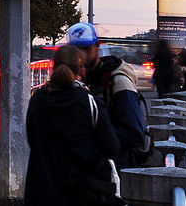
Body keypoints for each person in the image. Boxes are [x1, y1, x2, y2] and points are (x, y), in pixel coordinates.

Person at [25, 44, 121, 205]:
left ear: (52, 68)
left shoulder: (37, 100)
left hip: (41, 192)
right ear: (82, 70)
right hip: (83, 194)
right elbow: (112, 148)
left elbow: (32, 140)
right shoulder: (91, 104)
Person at [67, 21, 147, 169]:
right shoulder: (75, 81)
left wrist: (90, 137)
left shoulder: (119, 81)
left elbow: (134, 134)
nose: (81, 55)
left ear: (97, 46)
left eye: (86, 48)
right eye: (76, 49)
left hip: (114, 169)